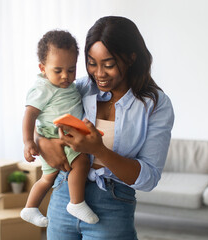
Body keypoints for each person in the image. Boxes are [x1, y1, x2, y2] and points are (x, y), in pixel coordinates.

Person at [36, 16, 175, 239]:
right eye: (92, 63)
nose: (98, 73)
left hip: (113, 204)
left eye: (108, 65)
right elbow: (41, 118)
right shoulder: (78, 89)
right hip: (64, 195)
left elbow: (149, 178)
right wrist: (42, 142)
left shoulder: (154, 104)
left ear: (131, 58)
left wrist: (99, 150)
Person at [20, 30, 99, 228]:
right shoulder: (43, 88)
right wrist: (29, 141)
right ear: (42, 68)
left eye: (71, 69)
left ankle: (30, 208)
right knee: (81, 162)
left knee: (47, 178)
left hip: (63, 134)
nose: (65, 76)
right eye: (58, 71)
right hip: (55, 135)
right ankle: (76, 202)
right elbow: (29, 115)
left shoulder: (71, 85)